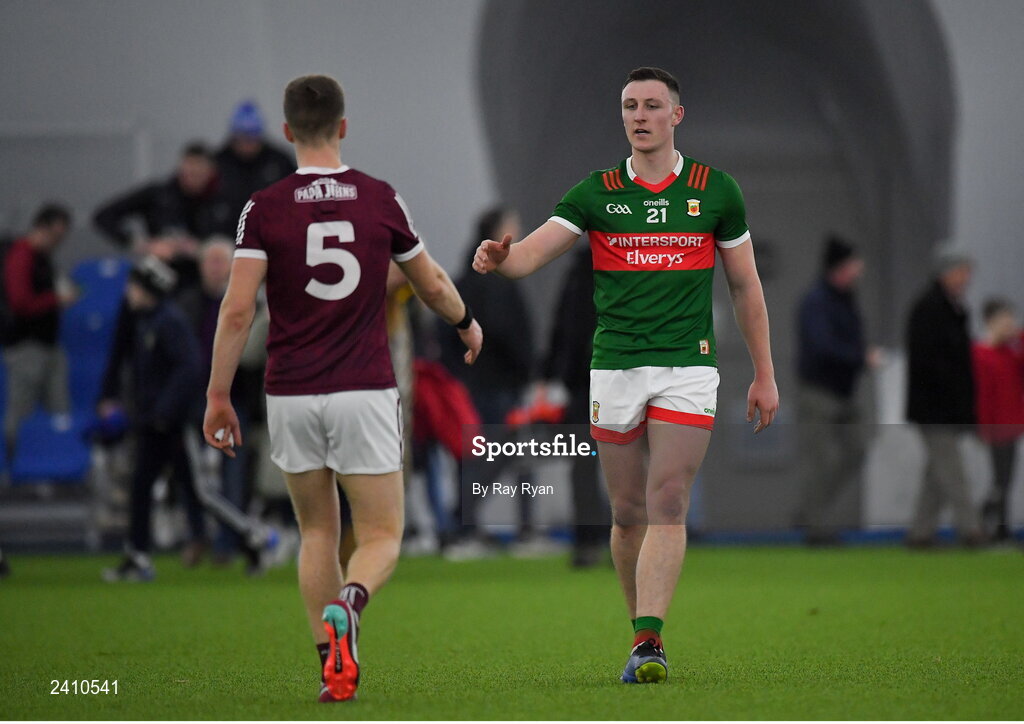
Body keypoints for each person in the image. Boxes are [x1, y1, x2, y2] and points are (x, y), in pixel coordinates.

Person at [473, 67, 778, 684]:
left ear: (676, 116)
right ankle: (639, 627)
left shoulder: (716, 191)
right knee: (627, 512)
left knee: (669, 498)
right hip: (614, 368)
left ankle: (649, 642)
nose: (640, 116)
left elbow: (745, 285)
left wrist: (764, 374)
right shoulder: (597, 192)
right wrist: (503, 261)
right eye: (630, 106)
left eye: (651, 106)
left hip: (688, 366)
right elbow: (532, 252)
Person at [202, 74, 482, 703]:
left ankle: (333, 662)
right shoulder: (380, 197)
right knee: (382, 536)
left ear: (287, 132)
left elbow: (237, 312)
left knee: (318, 534)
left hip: (291, 394)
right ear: (344, 127)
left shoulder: (263, 206)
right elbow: (432, 283)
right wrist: (466, 323)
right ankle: (350, 605)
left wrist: (218, 396)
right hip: (364, 389)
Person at [99, 256, 204, 581]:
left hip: (165, 422)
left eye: (134, 286)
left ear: (147, 290)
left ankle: (140, 555)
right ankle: (143, 552)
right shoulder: (146, 320)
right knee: (183, 486)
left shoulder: (167, 322)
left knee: (152, 485)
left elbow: (190, 367)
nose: (128, 292)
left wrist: (164, 410)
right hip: (154, 419)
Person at [440, 207, 535, 559]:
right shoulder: (493, 281)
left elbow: (444, 329)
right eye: (513, 227)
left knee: (481, 459)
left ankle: (465, 529)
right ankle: (464, 529)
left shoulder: (462, 280)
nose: (520, 231)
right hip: (497, 385)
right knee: (499, 459)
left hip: (474, 384)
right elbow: (505, 332)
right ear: (497, 234)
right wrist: (525, 368)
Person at [177, 238, 267, 565]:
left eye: (221, 262)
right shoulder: (187, 303)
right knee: (191, 478)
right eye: (210, 261)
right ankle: (196, 534)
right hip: (193, 401)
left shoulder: (247, 302)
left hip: (235, 400)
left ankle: (228, 544)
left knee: (234, 475)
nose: (216, 269)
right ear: (201, 266)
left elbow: (255, 355)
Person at [793, 236, 880, 544]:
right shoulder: (817, 301)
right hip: (818, 392)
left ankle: (808, 511)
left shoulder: (846, 299)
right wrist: (861, 357)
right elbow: (822, 347)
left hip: (844, 392)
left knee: (856, 451)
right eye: (854, 263)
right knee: (818, 460)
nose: (859, 269)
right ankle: (815, 528)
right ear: (840, 267)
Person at [905, 247, 984, 547]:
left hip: (944, 408)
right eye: (962, 272)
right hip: (934, 409)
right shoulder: (930, 309)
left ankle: (920, 534)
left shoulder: (953, 308)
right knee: (952, 473)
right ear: (946, 272)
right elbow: (935, 366)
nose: (967, 279)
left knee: (936, 475)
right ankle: (972, 531)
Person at [540, 242, 611, 567]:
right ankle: (626, 539)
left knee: (582, 466)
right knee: (625, 465)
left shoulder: (574, 277)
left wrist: (552, 376)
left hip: (581, 387)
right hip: (617, 382)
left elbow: (561, 330)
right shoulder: (625, 272)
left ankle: (587, 542)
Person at [93, 142, 235, 290]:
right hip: (160, 273)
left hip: (206, 280)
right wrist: (142, 244)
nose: (193, 178)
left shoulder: (226, 199)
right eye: (189, 171)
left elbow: (242, 236)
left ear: (211, 171)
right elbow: (104, 216)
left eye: (199, 173)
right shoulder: (159, 194)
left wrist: (205, 249)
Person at [1, 203, 76, 457]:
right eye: (55, 236)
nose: (57, 242)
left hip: (49, 345)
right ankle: (12, 466)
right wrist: (56, 299)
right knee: (21, 411)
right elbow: (20, 302)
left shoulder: (43, 258)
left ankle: (60, 462)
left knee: (59, 408)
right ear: (41, 229)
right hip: (25, 347)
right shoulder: (21, 255)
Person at [972, 298, 1024, 542]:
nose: (1010, 324)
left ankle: (999, 527)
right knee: (1000, 480)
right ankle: (990, 522)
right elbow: (982, 395)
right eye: (1006, 319)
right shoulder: (981, 354)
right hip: (995, 427)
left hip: (1012, 425)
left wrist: (1018, 335)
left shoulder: (1010, 353)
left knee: (1005, 480)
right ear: (991, 321)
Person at [216, 100, 295, 220]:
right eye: (243, 137)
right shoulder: (218, 163)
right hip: (227, 232)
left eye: (252, 137)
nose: (247, 144)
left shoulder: (280, 161)